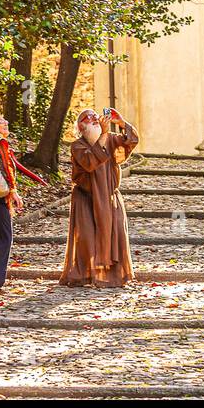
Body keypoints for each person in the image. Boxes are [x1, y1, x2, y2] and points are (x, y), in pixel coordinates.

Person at [0, 114, 47, 296]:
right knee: (3, 240)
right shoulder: (0, 144)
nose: (5, 123)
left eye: (5, 120)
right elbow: (6, 168)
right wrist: (13, 191)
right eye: (0, 121)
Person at [60, 107, 137, 288]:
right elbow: (90, 162)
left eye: (96, 116)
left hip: (110, 198)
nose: (95, 118)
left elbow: (131, 140)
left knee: (115, 233)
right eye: (89, 118)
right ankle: (86, 275)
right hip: (85, 198)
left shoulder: (110, 139)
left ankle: (113, 276)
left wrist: (121, 122)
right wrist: (103, 134)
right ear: (81, 126)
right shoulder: (77, 146)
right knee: (87, 237)